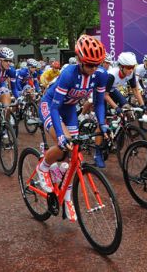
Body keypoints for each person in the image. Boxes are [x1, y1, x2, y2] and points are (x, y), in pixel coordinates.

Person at [34, 35, 108, 221]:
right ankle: (43, 168)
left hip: (69, 109)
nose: (93, 69)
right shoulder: (68, 74)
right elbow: (54, 107)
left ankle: (66, 196)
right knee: (63, 144)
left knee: (74, 151)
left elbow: (99, 103)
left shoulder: (100, 75)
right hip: (51, 105)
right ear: (81, 61)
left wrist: (103, 124)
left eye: (97, 65)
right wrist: (60, 134)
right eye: (89, 65)